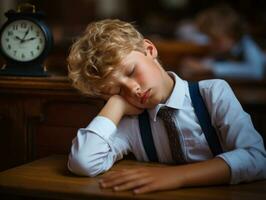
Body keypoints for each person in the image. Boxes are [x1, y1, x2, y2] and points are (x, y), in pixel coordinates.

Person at [67, 19, 266, 194]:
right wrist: (116, 104)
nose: (132, 89)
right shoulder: (132, 122)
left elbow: (257, 158)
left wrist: (176, 176)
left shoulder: (212, 93)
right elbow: (83, 162)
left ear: (150, 50)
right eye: (117, 91)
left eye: (131, 71)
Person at [180, 5, 266, 80]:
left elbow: (256, 71)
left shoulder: (247, 44)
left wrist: (210, 68)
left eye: (215, 40)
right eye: (209, 39)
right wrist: (196, 67)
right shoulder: (223, 50)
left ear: (231, 35)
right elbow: (211, 62)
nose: (211, 44)